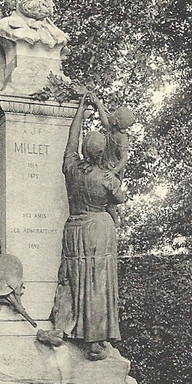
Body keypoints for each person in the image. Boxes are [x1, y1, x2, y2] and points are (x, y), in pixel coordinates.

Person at [50, 91, 126, 360]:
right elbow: (121, 197)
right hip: (98, 230)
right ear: (102, 151)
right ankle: (94, 342)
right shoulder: (105, 177)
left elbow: (71, 142)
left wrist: (81, 109)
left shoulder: (71, 167)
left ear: (84, 150)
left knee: (70, 279)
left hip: (74, 227)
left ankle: (61, 327)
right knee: (97, 283)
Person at [91, 94, 135, 228]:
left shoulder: (122, 139)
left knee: (109, 201)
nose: (111, 116)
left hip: (112, 170)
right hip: (103, 164)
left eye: (114, 115)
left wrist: (113, 171)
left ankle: (115, 221)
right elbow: (104, 117)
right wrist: (97, 103)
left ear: (116, 121)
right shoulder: (111, 130)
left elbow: (123, 160)